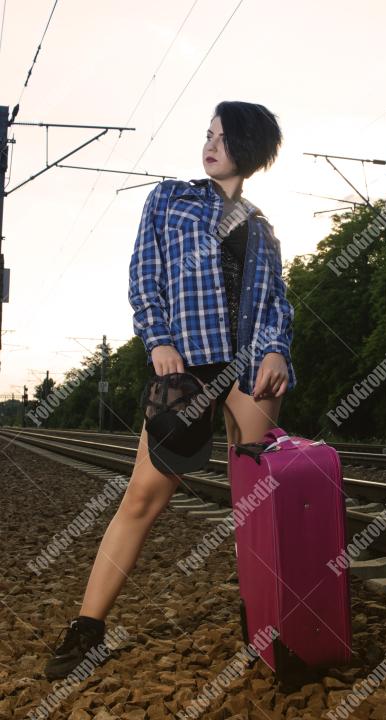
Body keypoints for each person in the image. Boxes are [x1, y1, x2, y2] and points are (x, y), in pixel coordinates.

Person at [43, 100, 297, 681]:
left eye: (224, 138)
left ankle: (263, 619)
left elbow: (276, 302)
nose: (209, 146)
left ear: (251, 150)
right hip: (185, 369)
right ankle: (88, 630)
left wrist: (278, 348)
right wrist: (157, 338)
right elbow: (143, 276)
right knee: (141, 498)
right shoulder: (168, 200)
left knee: (255, 505)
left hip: (253, 371)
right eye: (208, 135)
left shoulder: (262, 227)